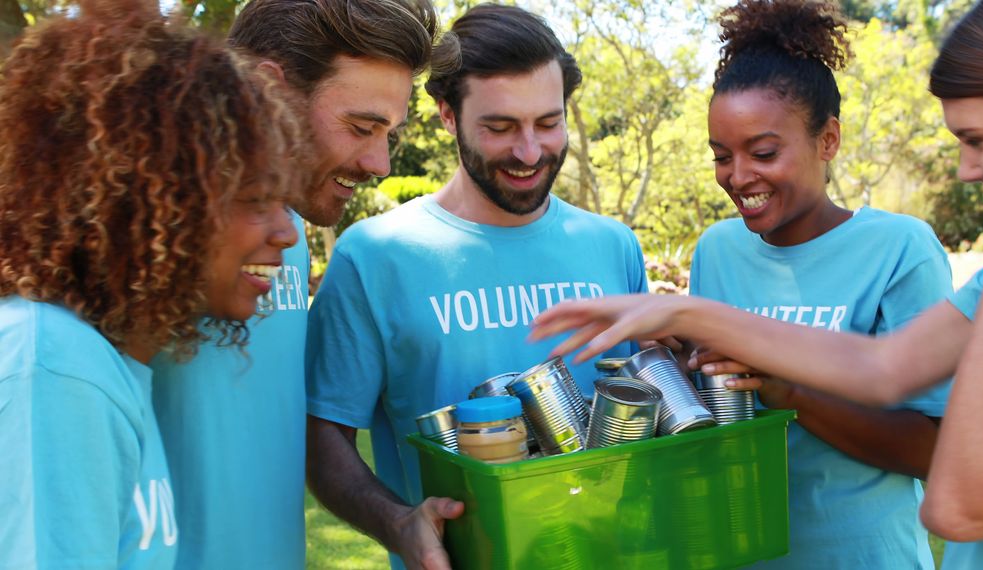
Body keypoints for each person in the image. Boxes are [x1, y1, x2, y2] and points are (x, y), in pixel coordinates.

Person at [530, 0, 983, 567]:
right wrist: (683, 327)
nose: (965, 169)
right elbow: (884, 367)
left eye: (977, 140)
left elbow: (954, 500)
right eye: (722, 156)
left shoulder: (963, 256)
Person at [304, 3, 648, 568]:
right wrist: (398, 524)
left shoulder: (614, 246)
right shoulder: (374, 257)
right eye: (500, 127)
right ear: (447, 115)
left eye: (548, 122)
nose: (530, 152)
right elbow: (322, 439)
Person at [147, 1, 457, 567]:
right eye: (362, 127)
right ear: (268, 92)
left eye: (388, 132)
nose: (380, 163)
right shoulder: (155, 233)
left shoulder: (279, 238)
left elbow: (299, 434)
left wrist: (397, 524)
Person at [0, 0, 306, 567]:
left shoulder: (107, 366)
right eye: (256, 201)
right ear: (149, 203)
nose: (287, 233)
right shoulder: (54, 368)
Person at [681, 1, 951, 567]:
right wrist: (680, 365)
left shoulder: (899, 250)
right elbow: (718, 410)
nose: (738, 176)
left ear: (827, 139)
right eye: (721, 156)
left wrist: (788, 390)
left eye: (763, 152)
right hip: (743, 552)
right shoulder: (717, 251)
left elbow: (935, 448)